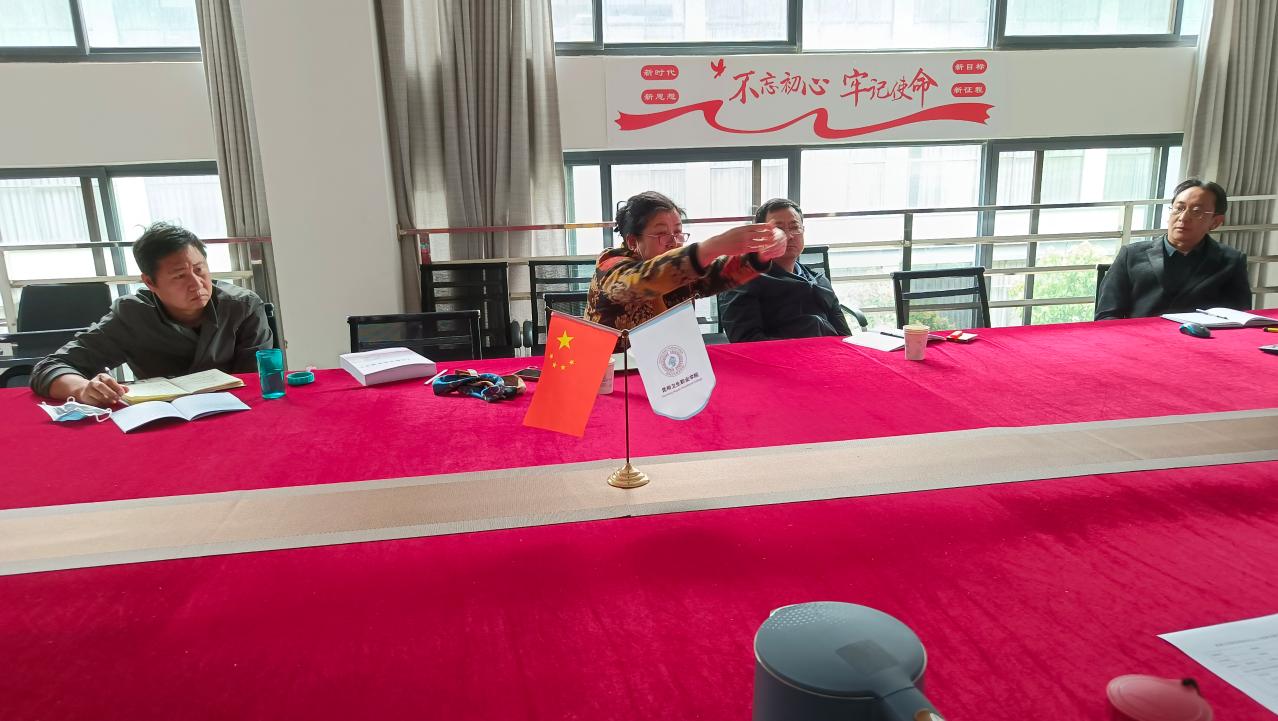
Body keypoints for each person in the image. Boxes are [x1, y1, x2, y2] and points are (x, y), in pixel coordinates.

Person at [31, 222, 273, 405]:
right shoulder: (132, 314)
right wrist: (82, 389)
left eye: (200, 269)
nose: (196, 284)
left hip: (230, 414)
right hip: (160, 419)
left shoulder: (242, 307)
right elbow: (50, 367)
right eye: (180, 276)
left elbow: (256, 381)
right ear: (150, 282)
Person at [585, 190, 786, 333]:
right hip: (613, 369)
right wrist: (713, 246)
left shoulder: (683, 267)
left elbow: (717, 274)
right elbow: (639, 282)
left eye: (678, 232)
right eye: (661, 234)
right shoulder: (610, 265)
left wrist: (761, 253)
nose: (674, 242)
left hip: (670, 365)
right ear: (632, 242)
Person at [1095, 179, 1250, 320]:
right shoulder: (1131, 255)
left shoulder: (1231, 261)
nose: (1183, 217)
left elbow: (1239, 319)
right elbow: (1106, 316)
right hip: (1140, 339)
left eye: (1196, 211)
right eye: (1179, 208)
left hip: (1202, 339)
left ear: (1215, 222)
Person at [719, 198, 853, 342]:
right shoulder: (742, 280)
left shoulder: (819, 280)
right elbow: (746, 342)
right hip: (781, 355)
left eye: (795, 227)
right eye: (779, 229)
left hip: (830, 353)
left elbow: (845, 337)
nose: (789, 236)